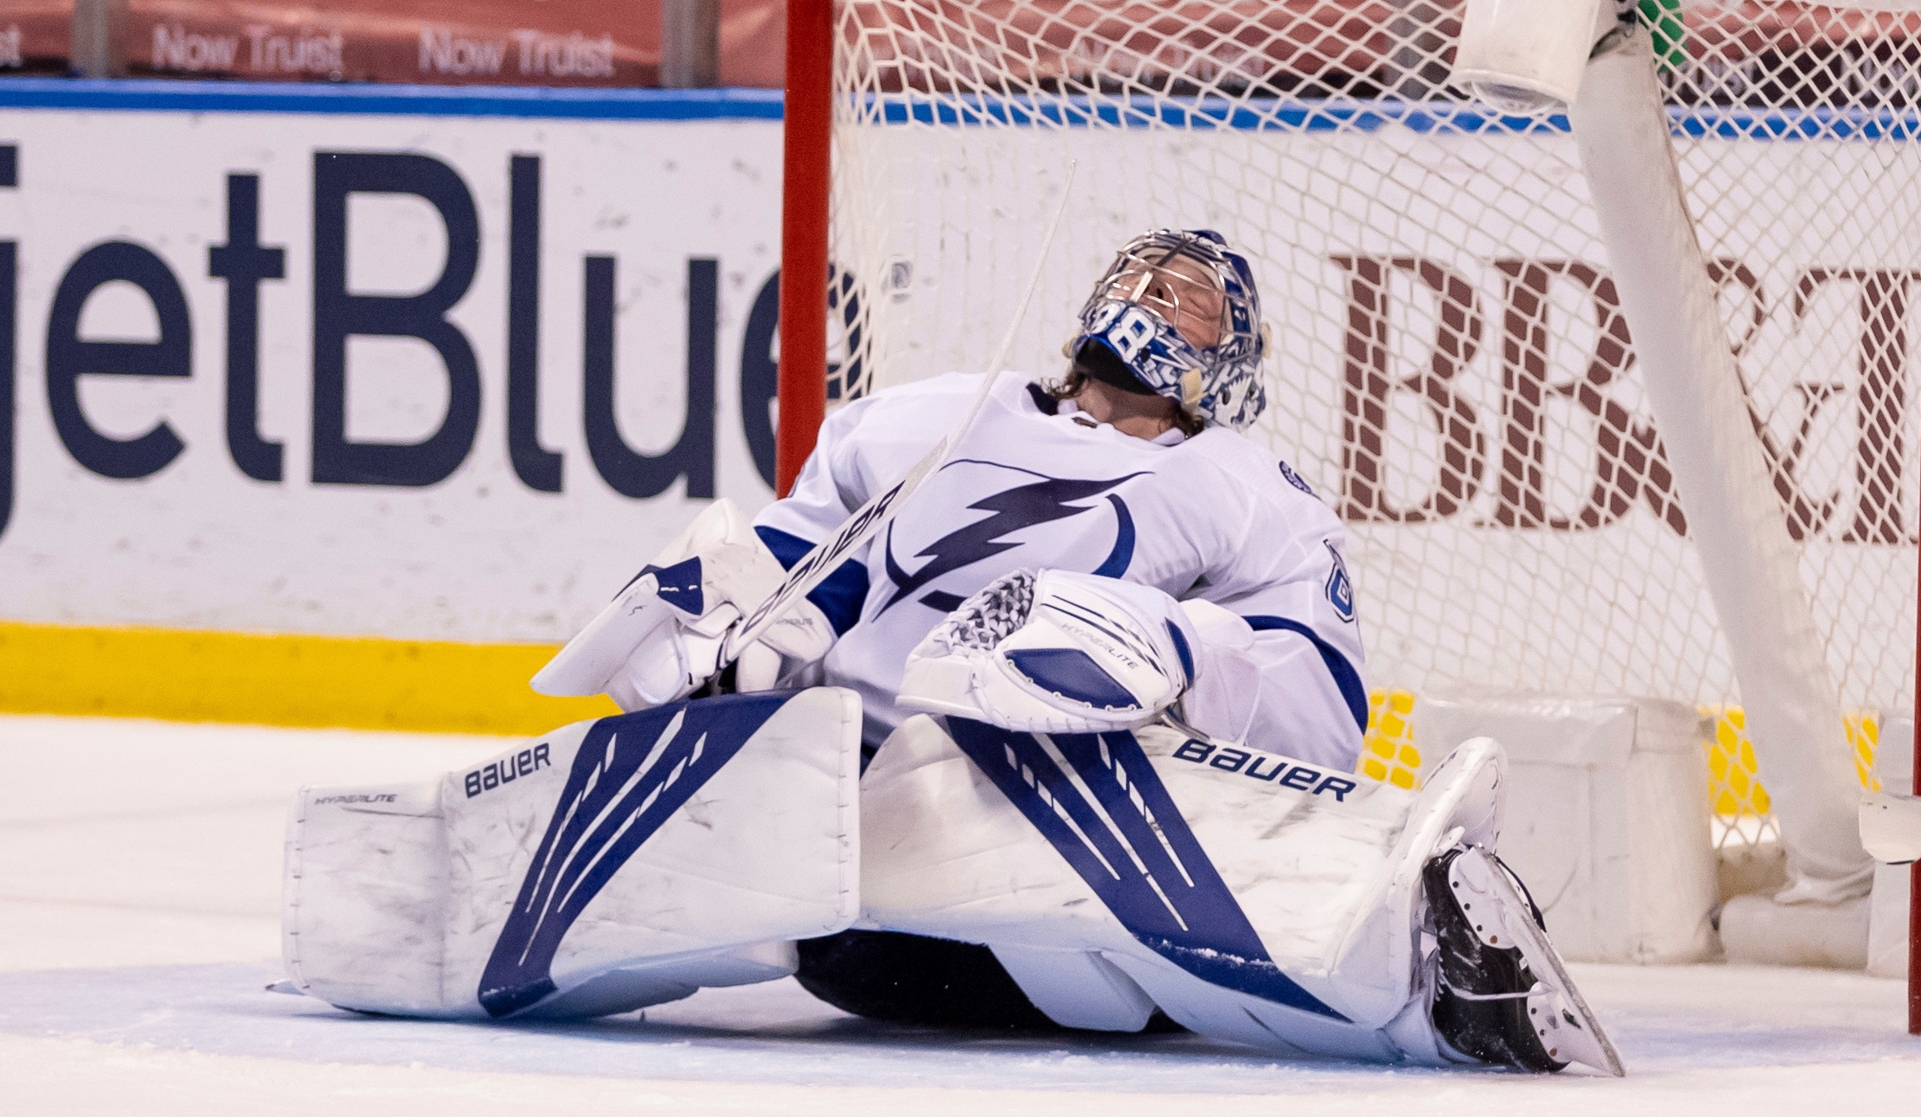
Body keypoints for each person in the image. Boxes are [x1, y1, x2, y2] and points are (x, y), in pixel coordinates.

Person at [280, 231, 1619, 1076]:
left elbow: (1322, 714)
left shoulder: (1247, 485)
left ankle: (1438, 967)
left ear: (1237, 364)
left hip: (1073, 889)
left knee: (1033, 770)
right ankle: (446, 906)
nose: (1172, 290)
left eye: (1206, 297)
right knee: (755, 731)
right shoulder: (918, 416)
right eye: (1154, 273)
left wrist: (1160, 639)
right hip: (845, 902)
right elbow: (802, 564)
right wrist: (719, 623)